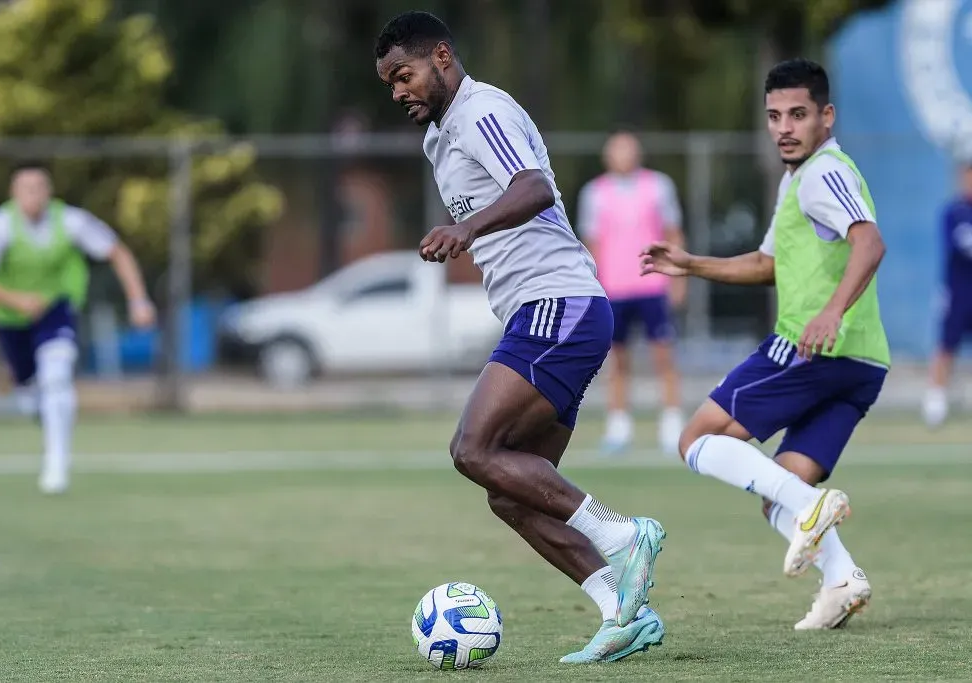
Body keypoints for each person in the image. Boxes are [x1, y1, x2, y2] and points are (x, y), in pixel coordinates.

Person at [374, 11, 666, 663]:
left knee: (471, 447)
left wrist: (467, 229)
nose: (398, 90)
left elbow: (532, 187)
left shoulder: (482, 111)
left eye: (405, 74)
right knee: (510, 491)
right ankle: (623, 611)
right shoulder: (439, 139)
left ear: (442, 56)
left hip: (556, 302)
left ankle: (623, 535)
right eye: (389, 82)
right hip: (541, 313)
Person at [641, 58, 887, 630]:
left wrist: (829, 311)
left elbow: (869, 243)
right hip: (863, 364)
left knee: (696, 438)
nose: (784, 127)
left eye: (798, 114)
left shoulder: (825, 173)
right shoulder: (800, 178)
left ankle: (811, 510)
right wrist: (692, 263)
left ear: (826, 117)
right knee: (779, 491)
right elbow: (765, 263)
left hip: (812, 349)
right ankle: (841, 579)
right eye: (774, 115)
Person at [0, 161, 156, 495]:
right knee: (30, 393)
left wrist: (138, 301)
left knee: (57, 376)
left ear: (49, 192)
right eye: (26, 189)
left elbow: (118, 253)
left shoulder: (71, 221)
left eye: (39, 188)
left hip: (57, 309)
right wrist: (16, 300)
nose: (33, 196)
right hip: (12, 320)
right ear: (14, 193)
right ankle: (37, 405)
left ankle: (56, 464)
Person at [576, 131, 686, 456]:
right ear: (607, 157)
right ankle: (618, 428)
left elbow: (673, 232)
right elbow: (591, 243)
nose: (623, 156)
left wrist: (679, 278)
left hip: (652, 285)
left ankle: (671, 425)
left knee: (664, 357)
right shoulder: (594, 193)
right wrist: (592, 287)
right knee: (617, 361)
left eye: (628, 150)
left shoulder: (659, 186)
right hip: (614, 290)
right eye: (617, 150)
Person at [923, 161, 972, 427]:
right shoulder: (954, 213)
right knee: (946, 346)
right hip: (959, 294)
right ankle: (935, 401)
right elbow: (961, 246)